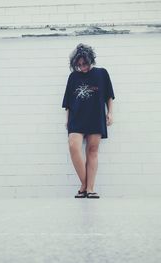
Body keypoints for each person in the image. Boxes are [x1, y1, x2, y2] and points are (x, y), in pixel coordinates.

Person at [62, 43, 115, 199]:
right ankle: (84, 185)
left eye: (84, 64)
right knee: (73, 146)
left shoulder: (102, 73)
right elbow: (68, 102)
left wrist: (110, 113)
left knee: (92, 151)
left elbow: (109, 96)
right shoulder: (73, 77)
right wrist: (67, 120)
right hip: (76, 117)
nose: (82, 67)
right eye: (78, 65)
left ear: (90, 60)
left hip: (95, 116)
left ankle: (90, 189)